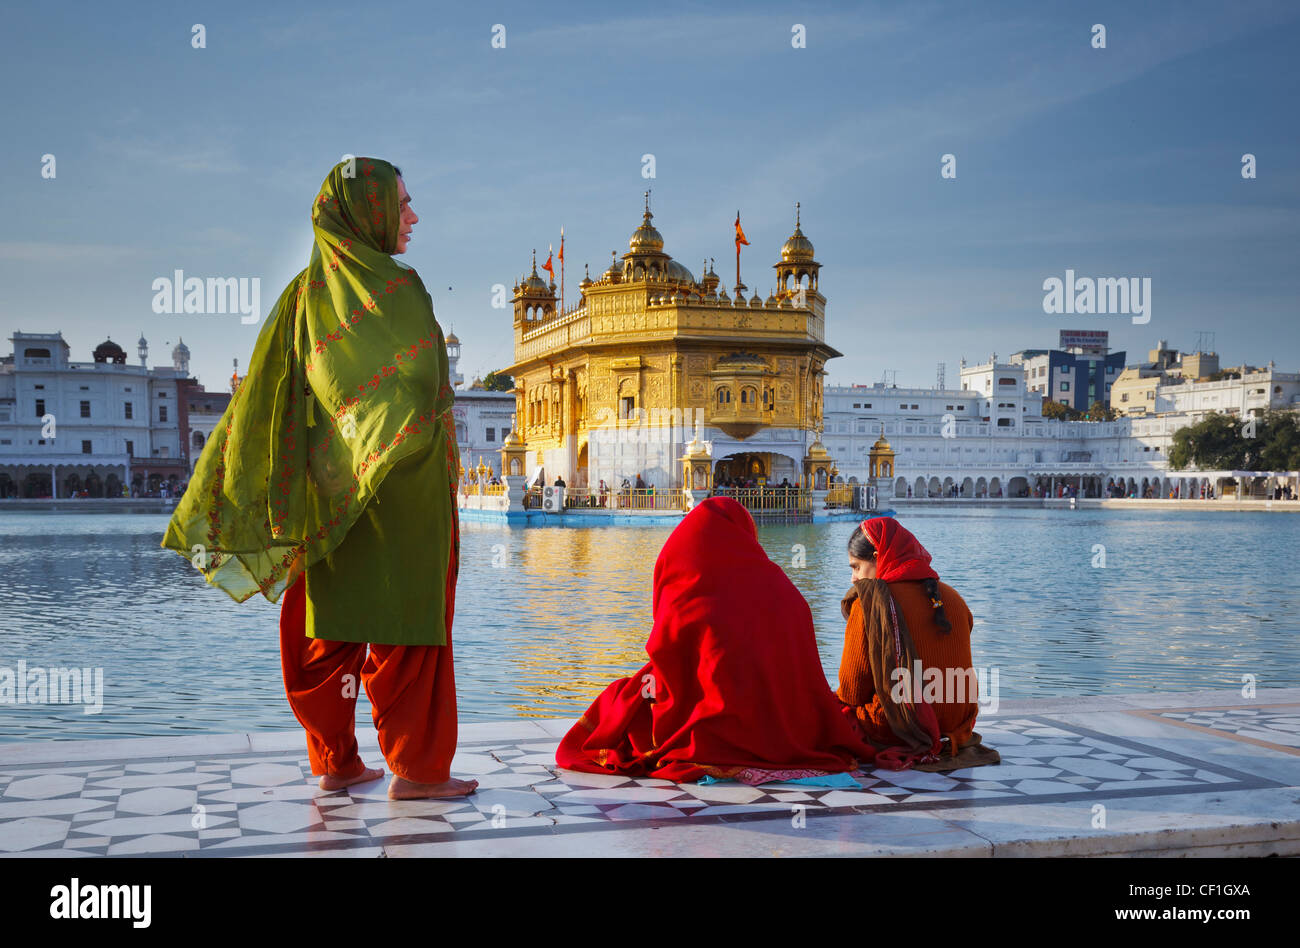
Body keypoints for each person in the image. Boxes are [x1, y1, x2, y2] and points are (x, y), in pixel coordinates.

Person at [161, 158, 476, 800]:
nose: (413, 216)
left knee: (328, 624)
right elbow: (416, 389)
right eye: (402, 203)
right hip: (405, 488)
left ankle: (337, 760)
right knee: (404, 626)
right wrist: (392, 438)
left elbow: (275, 401)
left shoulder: (304, 297)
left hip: (331, 491)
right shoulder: (401, 290)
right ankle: (413, 772)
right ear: (366, 210)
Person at [557, 496, 876, 782]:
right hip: (784, 725)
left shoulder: (688, 587)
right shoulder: (781, 589)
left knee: (629, 696)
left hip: (704, 727)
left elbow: (664, 652)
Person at [837, 517, 998, 771]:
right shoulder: (953, 597)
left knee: (827, 712)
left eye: (856, 567)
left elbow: (851, 691)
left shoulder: (869, 603)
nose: (853, 579)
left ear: (879, 557)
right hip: (957, 725)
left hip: (901, 726)